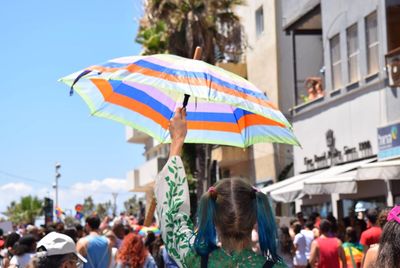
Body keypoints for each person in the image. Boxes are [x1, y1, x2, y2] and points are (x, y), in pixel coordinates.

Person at [155, 108, 282, 267]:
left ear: (212, 216)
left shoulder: (197, 260)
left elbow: (173, 222)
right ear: (255, 217)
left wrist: (177, 140)